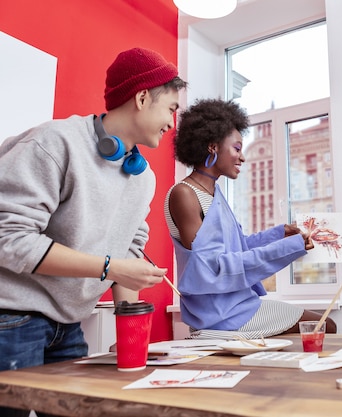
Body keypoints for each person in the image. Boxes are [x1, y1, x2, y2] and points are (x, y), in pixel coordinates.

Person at [0, 47, 187, 417]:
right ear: (143, 96)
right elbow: (9, 239)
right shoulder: (54, 142)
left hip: (68, 324)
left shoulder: (141, 177)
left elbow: (129, 255)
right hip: (12, 318)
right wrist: (108, 267)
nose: (172, 123)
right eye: (171, 108)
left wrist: (130, 332)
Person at [164, 98, 337, 339]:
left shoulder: (213, 194)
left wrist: (280, 234)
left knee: (325, 326)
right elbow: (215, 268)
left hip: (239, 306)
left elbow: (238, 248)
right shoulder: (185, 194)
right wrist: (289, 247)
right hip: (222, 316)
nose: (242, 157)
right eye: (236, 148)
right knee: (326, 326)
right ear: (213, 147)